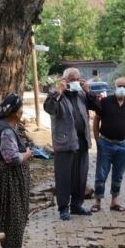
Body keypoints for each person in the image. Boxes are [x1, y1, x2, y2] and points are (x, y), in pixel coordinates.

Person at [0, 94, 34, 248]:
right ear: (15, 113)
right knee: (13, 214)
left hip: (3, 175)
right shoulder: (4, 130)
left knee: (12, 213)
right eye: (20, 110)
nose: (21, 113)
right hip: (8, 177)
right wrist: (27, 154)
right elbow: (13, 158)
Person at [44, 67, 100, 220]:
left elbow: (98, 107)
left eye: (77, 79)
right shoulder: (57, 96)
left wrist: (88, 91)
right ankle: (63, 208)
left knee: (80, 175)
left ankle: (77, 205)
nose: (75, 82)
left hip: (81, 140)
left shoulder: (81, 94)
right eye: (72, 80)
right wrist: (58, 91)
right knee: (64, 176)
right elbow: (49, 108)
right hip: (65, 142)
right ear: (65, 80)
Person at [92, 77, 125, 213]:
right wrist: (97, 140)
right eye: (119, 85)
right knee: (101, 174)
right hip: (106, 143)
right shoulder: (105, 101)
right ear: (115, 86)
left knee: (118, 175)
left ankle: (114, 201)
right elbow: (96, 120)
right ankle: (97, 201)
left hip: (123, 146)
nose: (122, 88)